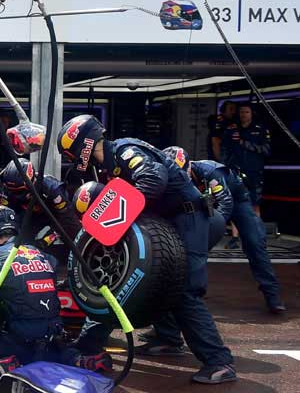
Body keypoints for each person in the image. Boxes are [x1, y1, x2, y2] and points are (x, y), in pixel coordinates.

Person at [57, 114, 237, 384]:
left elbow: (154, 179)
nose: (71, 158)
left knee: (185, 290)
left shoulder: (124, 151)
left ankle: (219, 362)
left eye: (70, 151)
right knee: (141, 279)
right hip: (169, 220)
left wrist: (120, 220)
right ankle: (163, 340)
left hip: (188, 219)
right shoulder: (108, 164)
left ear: (82, 143)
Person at [0, 206, 113, 372]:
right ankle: (77, 359)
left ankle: (3, 363)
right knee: (55, 347)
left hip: (20, 338)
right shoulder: (42, 254)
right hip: (51, 333)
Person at [163, 147, 285, 314]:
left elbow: (225, 204)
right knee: (193, 248)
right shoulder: (175, 177)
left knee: (255, 243)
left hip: (236, 201)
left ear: (189, 165)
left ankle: (272, 295)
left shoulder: (211, 172)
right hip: (208, 206)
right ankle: (191, 294)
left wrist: (207, 229)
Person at [0, 158, 81, 246]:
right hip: (31, 217)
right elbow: (8, 217)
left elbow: (68, 219)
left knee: (72, 237)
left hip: (56, 216)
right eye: (12, 190)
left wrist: (52, 236)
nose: (15, 194)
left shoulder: (52, 189)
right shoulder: (7, 191)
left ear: (32, 181)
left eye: (19, 191)